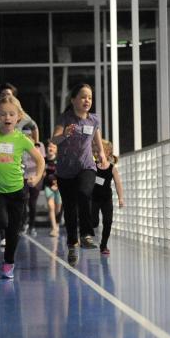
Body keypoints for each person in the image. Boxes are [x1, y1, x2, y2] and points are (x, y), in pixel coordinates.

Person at [0, 95, 44, 279]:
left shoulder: (22, 139)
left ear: (18, 118)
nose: (7, 117)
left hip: (17, 190)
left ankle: (9, 262)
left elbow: (40, 160)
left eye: (11, 114)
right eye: (3, 114)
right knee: (0, 221)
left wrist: (36, 177)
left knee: (13, 230)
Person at [50, 83, 109, 264]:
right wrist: (65, 134)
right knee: (70, 209)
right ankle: (72, 245)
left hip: (86, 166)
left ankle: (86, 234)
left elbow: (97, 141)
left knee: (84, 193)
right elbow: (54, 139)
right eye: (83, 97)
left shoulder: (93, 120)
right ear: (73, 100)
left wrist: (102, 156)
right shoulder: (65, 118)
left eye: (90, 98)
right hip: (65, 171)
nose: (87, 100)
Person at [91, 139, 124, 255]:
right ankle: (85, 235)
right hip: (93, 199)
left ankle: (103, 245)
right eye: (94, 152)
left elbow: (118, 184)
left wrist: (121, 198)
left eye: (98, 151)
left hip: (106, 199)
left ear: (107, 153)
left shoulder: (112, 168)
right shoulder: (92, 166)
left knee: (108, 221)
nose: (95, 154)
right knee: (94, 222)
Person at [21, 125, 45, 237]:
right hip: (23, 177)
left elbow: (41, 161)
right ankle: (24, 224)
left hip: (36, 177)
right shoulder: (20, 145)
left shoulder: (39, 146)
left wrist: (38, 175)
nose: (27, 137)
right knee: (23, 202)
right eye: (25, 135)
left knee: (33, 203)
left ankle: (32, 226)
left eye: (29, 135)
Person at [44, 141, 62, 237]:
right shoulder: (44, 160)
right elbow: (42, 173)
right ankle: (54, 228)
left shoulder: (59, 160)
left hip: (58, 186)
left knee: (58, 208)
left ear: (56, 150)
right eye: (49, 146)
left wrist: (57, 184)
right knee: (51, 206)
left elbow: (62, 173)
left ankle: (57, 222)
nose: (51, 148)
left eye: (53, 147)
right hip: (48, 186)